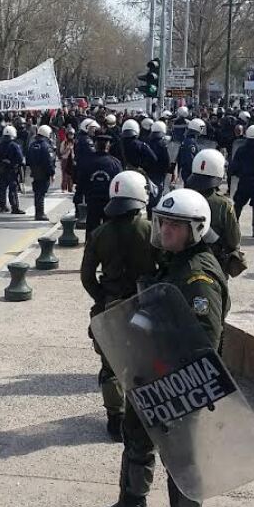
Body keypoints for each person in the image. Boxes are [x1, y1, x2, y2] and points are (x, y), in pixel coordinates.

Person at [88, 188, 227, 507]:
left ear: (195, 230)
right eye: (162, 223)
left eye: (175, 227)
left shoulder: (198, 276)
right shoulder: (174, 262)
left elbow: (203, 341)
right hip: (151, 373)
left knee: (180, 457)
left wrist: (153, 332)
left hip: (177, 380)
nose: (164, 231)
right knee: (135, 437)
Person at [79, 171, 157, 441]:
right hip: (146, 307)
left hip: (110, 306)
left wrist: (102, 298)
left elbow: (87, 276)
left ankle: (115, 419)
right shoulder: (151, 230)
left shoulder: (99, 233)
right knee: (148, 363)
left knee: (110, 367)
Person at [186, 148, 243, 273]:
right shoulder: (223, 204)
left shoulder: (181, 197)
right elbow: (234, 241)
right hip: (213, 266)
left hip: (183, 264)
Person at [228, 124, 254, 237]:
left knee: (238, 206)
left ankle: (231, 227)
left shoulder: (241, 150)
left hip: (244, 181)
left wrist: (238, 174)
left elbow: (234, 166)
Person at [81, 134, 123, 236]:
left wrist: (80, 196)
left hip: (92, 200)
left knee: (91, 228)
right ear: (108, 146)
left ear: (95, 145)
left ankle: (90, 247)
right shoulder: (115, 163)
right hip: (109, 201)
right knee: (109, 229)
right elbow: (119, 183)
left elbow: (82, 180)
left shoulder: (88, 161)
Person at [26, 124, 57, 220]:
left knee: (37, 193)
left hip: (35, 172)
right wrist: (52, 173)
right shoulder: (46, 146)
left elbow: (28, 159)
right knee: (41, 193)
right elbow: (49, 161)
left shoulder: (32, 144)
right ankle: (40, 213)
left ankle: (37, 212)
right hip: (44, 173)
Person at [0, 125, 25, 214]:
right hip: (12, 170)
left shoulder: (0, 145)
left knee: (2, 188)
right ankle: (15, 207)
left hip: (2, 169)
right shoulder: (15, 146)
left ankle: (2, 206)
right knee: (13, 189)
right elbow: (20, 158)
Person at [175, 118, 204, 185]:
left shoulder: (187, 140)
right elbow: (190, 159)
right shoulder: (191, 142)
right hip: (189, 173)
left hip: (186, 171)